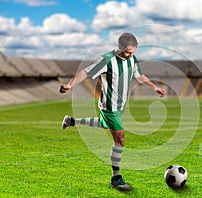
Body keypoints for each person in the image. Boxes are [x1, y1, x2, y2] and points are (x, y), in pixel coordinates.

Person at [59, 32, 166, 191]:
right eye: (128, 52)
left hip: (120, 106)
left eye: (133, 52)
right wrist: (70, 85)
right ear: (120, 47)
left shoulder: (132, 59)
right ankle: (116, 178)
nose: (130, 55)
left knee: (103, 124)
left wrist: (155, 87)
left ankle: (71, 121)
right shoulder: (107, 60)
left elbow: (140, 75)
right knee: (120, 139)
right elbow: (85, 72)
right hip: (109, 106)